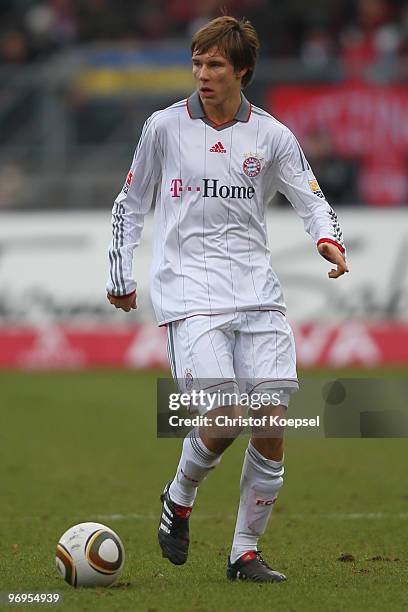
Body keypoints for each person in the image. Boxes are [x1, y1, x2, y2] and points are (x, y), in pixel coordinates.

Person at [107, 15, 348, 583]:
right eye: (197, 63)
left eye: (215, 64)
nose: (202, 74)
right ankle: (180, 494)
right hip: (188, 292)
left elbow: (311, 198)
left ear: (242, 71)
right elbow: (130, 203)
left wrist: (329, 239)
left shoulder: (271, 135)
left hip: (257, 292)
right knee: (224, 414)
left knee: (270, 420)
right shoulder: (163, 128)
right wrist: (121, 273)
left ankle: (243, 553)